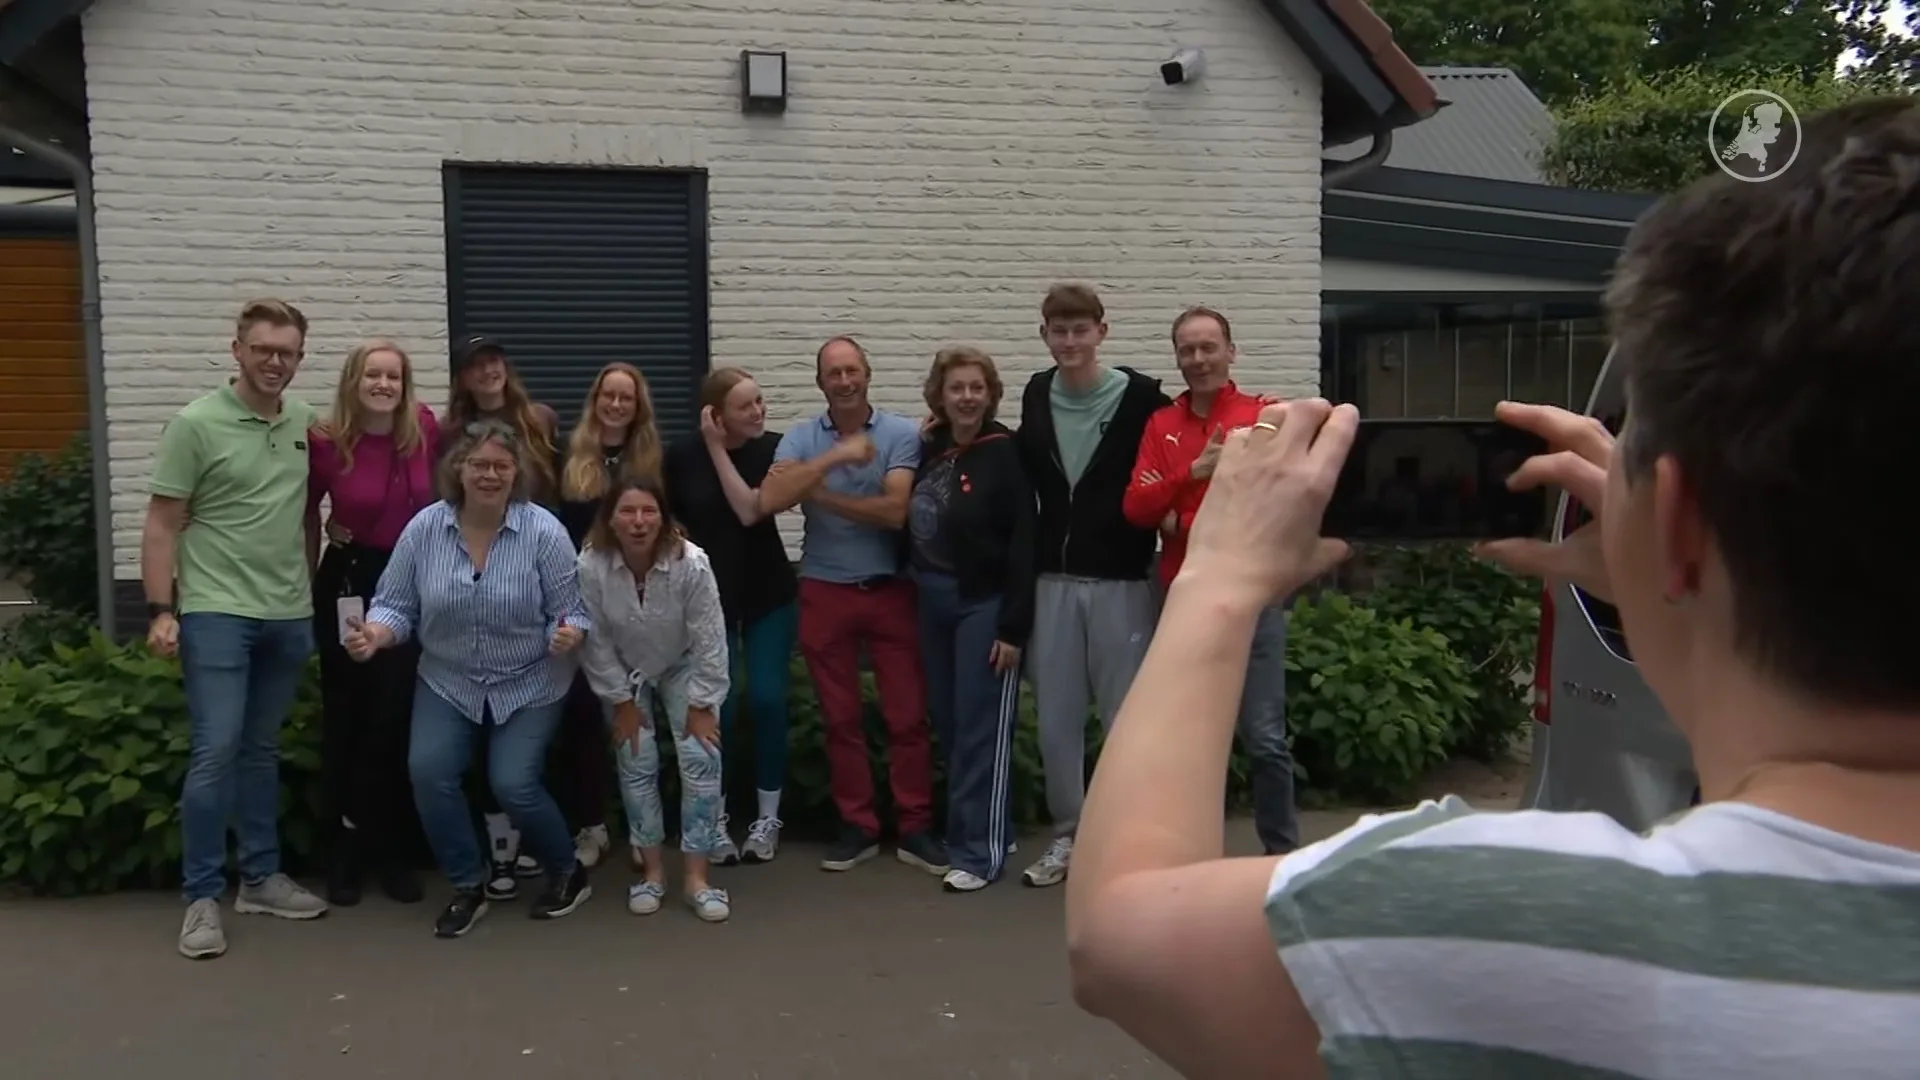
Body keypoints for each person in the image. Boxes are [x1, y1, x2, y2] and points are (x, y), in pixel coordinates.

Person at [1064, 98, 1920, 1079]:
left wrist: (1214, 580)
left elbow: (1119, 932)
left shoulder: (1511, 928)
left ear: (1682, 527)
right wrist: (1665, 576)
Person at [345, 419, 593, 939]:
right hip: (448, 677)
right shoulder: (424, 529)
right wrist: (375, 633)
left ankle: (568, 869)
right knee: (429, 770)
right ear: (458, 468)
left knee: (513, 783)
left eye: (501, 466)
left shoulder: (543, 531)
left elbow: (572, 610)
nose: (489, 475)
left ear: (515, 473)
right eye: (478, 464)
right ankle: (467, 883)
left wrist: (567, 632)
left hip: (530, 678)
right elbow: (395, 605)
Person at [143, 298, 330, 960]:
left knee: (259, 751)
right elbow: (164, 521)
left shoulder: (306, 422)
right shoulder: (196, 423)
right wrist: (162, 610)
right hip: (217, 610)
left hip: (287, 611)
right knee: (216, 749)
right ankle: (201, 897)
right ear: (238, 351)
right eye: (263, 350)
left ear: (300, 359)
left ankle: (259, 878)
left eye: (287, 353)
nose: (275, 362)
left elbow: (325, 496)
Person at [755, 336, 943, 875]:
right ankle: (858, 825)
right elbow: (770, 498)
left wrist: (815, 491)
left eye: (851, 371)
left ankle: (915, 826)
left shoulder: (901, 434)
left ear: (867, 375)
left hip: (890, 588)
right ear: (820, 383)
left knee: (907, 716)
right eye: (833, 373)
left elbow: (893, 512)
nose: (843, 381)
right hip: (823, 588)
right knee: (840, 719)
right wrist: (835, 456)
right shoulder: (801, 436)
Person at [1121, 306, 1297, 855]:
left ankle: (1282, 857)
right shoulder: (1161, 424)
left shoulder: (1264, 414)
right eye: (1187, 350)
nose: (1198, 360)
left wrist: (1182, 519)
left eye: (1208, 347)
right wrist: (1193, 474)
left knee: (1265, 739)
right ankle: (1193, 855)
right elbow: (1135, 507)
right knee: (1190, 743)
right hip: (1180, 600)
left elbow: (1266, 504)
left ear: (1230, 352)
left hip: (1250, 596)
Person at [1013, 283, 1170, 888]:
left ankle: (1129, 840)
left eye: (1081, 329)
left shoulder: (1142, 399)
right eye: (1059, 330)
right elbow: (1015, 465)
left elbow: (1170, 463)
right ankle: (1070, 837)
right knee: (1056, 719)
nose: (1070, 341)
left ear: (1102, 332)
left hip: (1122, 580)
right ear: (1046, 335)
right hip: (1052, 582)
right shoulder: (1035, 394)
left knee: (1125, 718)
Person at [305, 339, 440, 907]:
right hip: (349, 581)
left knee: (396, 714)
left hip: (411, 578)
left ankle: (391, 847)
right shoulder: (326, 440)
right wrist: (306, 575)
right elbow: (307, 512)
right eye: (373, 375)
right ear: (354, 381)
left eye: (393, 376)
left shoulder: (427, 430)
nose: (383, 384)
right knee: (349, 715)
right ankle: (345, 850)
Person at [577, 476, 735, 922]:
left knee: (702, 758)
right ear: (610, 518)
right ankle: (651, 873)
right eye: (627, 511)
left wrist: (703, 705)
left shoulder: (691, 563)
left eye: (649, 511)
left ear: (663, 518)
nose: (639, 522)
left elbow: (710, 637)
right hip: (625, 670)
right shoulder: (592, 564)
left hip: (683, 663)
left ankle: (698, 878)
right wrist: (620, 699)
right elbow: (596, 640)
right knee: (636, 758)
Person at [909, 347, 1036, 893]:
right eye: (956, 388)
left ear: (990, 394)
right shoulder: (932, 448)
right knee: (953, 723)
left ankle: (977, 855)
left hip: (983, 605)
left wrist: (1012, 627)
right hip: (933, 601)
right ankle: (993, 829)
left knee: (982, 729)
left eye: (975, 388)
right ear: (940, 395)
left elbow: (1025, 543)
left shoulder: (1004, 453)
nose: (966, 397)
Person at [440, 333, 561, 896]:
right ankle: (499, 849)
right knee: (480, 732)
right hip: (464, 579)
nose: (487, 370)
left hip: (534, 565)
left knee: (529, 731)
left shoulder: (539, 419)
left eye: (495, 361)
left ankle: (539, 841)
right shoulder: (445, 433)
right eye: (475, 365)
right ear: (463, 377)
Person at [665, 367, 800, 864]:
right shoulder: (680, 457)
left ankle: (767, 818)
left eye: (760, 401)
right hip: (708, 602)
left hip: (769, 594)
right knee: (719, 705)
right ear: (715, 414)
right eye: (746, 405)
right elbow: (664, 515)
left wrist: (718, 448)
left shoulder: (776, 451)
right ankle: (714, 816)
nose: (759, 411)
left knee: (766, 698)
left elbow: (750, 510)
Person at [552, 362, 664, 871]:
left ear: (638, 406)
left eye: (627, 397)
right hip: (584, 602)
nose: (617, 405)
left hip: (638, 604)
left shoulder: (655, 461)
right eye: (608, 395)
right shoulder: (570, 460)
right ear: (595, 400)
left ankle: (646, 828)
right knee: (581, 717)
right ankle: (591, 824)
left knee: (636, 715)